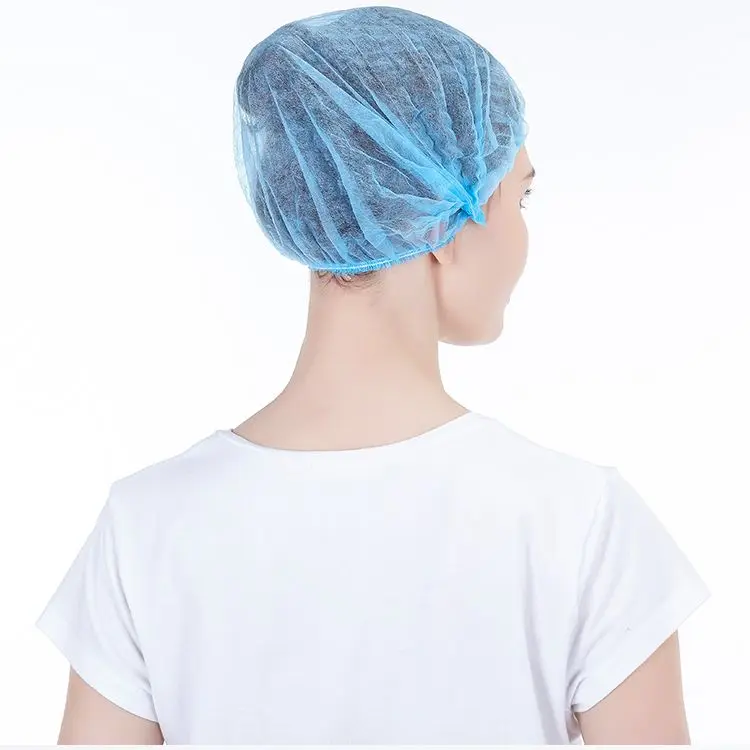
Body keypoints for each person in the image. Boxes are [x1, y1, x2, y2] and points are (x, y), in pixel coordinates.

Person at [36, 6, 710, 745]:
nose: (524, 235)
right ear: (441, 223)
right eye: (519, 197)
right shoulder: (580, 523)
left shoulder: (146, 527)